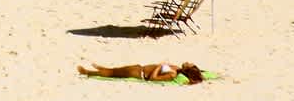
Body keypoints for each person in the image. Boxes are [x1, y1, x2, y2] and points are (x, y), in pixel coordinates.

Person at [77, 63, 205, 85]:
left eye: (189, 64)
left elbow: (153, 79)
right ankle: (101, 68)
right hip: (140, 68)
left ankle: (88, 72)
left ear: (187, 70)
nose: (188, 62)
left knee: (113, 74)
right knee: (115, 71)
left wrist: (160, 66)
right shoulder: (176, 68)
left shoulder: (172, 75)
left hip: (140, 74)